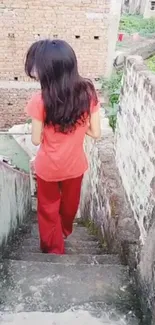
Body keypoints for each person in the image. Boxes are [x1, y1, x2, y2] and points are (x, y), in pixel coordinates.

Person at [25, 39, 101, 255]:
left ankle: (53, 248)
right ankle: (64, 231)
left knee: (48, 209)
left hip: (48, 167)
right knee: (69, 207)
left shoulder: (39, 100)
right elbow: (96, 133)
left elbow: (36, 140)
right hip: (75, 166)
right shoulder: (88, 93)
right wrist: (78, 126)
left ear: (49, 70)